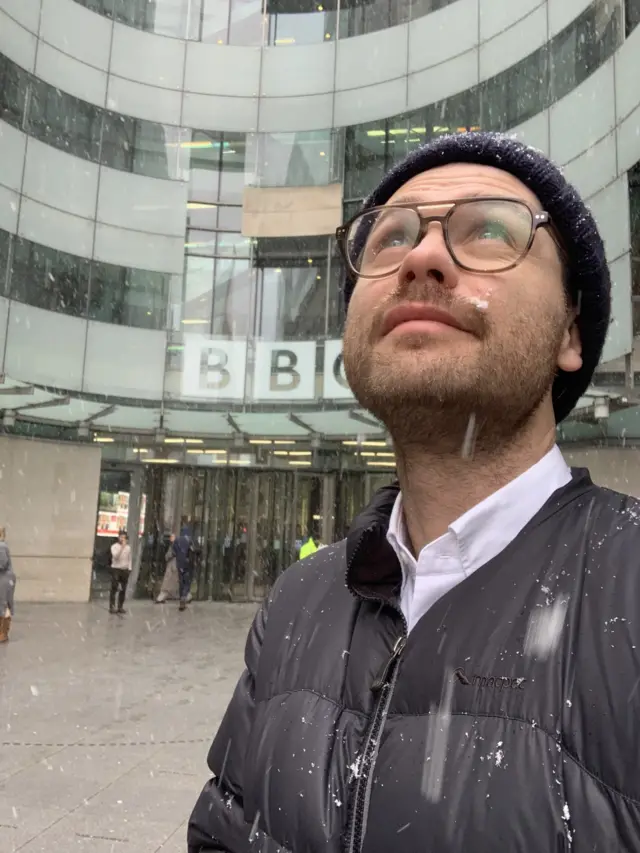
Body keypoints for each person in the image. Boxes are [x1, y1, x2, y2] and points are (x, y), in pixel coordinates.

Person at [188, 131, 640, 853]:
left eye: (490, 229)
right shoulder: (298, 599)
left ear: (571, 333)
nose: (423, 257)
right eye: (389, 238)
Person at [109, 532, 131, 615]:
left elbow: (129, 559)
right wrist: (122, 548)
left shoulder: (128, 547)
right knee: (114, 588)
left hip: (124, 569)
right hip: (116, 569)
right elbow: (116, 557)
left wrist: (129, 568)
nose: (122, 539)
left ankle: (120, 606)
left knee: (123, 589)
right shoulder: (114, 546)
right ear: (118, 537)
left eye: (124, 537)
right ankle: (112, 606)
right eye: (121, 537)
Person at [173, 525, 194, 611]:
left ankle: (181, 596)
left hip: (179, 563)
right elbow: (193, 550)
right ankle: (184, 596)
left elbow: (174, 550)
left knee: (181, 581)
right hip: (187, 564)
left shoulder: (177, 540)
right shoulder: (189, 540)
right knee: (187, 582)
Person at [0, 527, 16, 643]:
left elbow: (2, 564)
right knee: (4, 604)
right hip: (5, 578)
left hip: (4, 579)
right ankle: (3, 632)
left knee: (3, 604)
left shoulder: (1, 547)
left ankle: (3, 633)